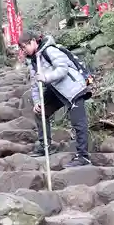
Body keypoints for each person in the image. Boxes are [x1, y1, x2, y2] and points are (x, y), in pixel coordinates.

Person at [19, 30, 91, 167]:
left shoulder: (49, 50)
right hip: (57, 90)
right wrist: (37, 102)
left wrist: (46, 77)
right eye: (22, 48)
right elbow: (35, 84)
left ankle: (83, 156)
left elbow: (62, 69)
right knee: (40, 111)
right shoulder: (33, 61)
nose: (24, 51)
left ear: (33, 41)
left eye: (25, 47)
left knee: (78, 122)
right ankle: (45, 145)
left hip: (73, 88)